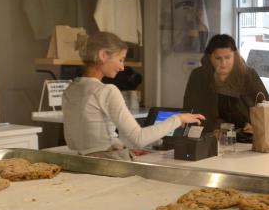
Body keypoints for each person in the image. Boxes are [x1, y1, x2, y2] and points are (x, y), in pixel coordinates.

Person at [63, 31, 203, 160]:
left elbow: (87, 138)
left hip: (81, 160)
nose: (122, 67)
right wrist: (177, 119)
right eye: (121, 59)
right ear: (103, 55)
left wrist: (118, 142)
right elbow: (139, 138)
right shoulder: (106, 91)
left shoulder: (70, 89)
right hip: (107, 163)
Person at [182, 34, 268, 142]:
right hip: (208, 138)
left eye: (227, 57)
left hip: (244, 138)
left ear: (235, 56)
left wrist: (256, 125)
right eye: (218, 58)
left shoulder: (247, 75)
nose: (223, 63)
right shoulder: (198, 76)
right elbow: (189, 109)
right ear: (210, 58)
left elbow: (266, 107)